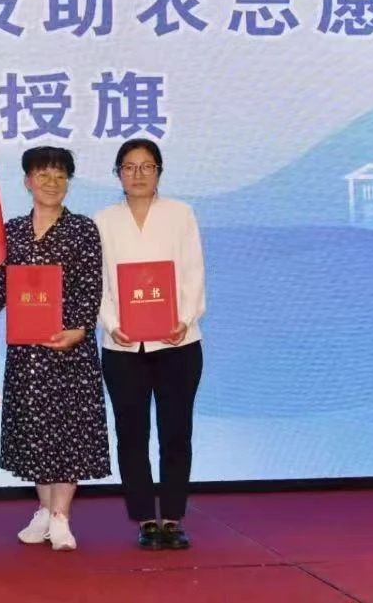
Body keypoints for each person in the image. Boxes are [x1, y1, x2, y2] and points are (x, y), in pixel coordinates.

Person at [0, 146, 111, 552]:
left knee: (69, 430)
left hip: (69, 348)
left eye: (60, 176)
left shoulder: (82, 229)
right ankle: (44, 510)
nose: (52, 182)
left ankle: (61, 515)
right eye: (43, 175)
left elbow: (90, 285)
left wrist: (78, 329)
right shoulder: (11, 231)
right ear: (27, 181)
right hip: (27, 351)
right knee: (35, 431)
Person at [95, 138, 205, 551]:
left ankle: (172, 518)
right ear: (118, 174)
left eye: (146, 166)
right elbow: (98, 283)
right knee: (131, 434)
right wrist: (112, 324)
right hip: (123, 348)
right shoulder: (103, 220)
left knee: (176, 432)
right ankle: (144, 518)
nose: (138, 174)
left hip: (179, 343)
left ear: (159, 171)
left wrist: (184, 318)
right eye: (129, 167)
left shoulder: (181, 213)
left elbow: (193, 272)